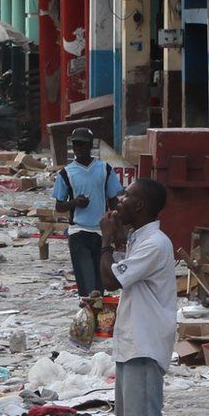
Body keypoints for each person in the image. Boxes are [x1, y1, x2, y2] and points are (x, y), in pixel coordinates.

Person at [99, 178, 175, 416]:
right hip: (131, 340)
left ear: (141, 205)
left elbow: (112, 280)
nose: (120, 200)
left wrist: (105, 242)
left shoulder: (155, 243)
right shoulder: (138, 239)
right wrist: (117, 240)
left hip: (145, 342)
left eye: (127, 196)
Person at [53, 127, 124, 297]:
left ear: (90, 145)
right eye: (76, 144)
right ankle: (90, 316)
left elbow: (114, 201)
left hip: (101, 232)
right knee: (86, 281)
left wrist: (119, 229)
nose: (78, 148)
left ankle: (98, 318)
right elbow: (59, 206)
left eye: (82, 144)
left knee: (101, 281)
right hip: (79, 231)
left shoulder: (104, 169)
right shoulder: (65, 173)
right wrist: (75, 203)